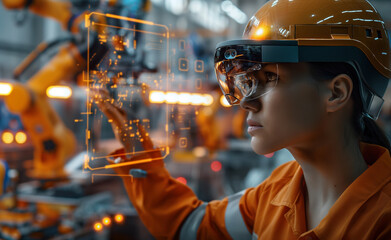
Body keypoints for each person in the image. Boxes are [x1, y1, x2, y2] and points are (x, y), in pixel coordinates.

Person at [93, 0, 391, 239]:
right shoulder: (276, 192)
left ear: (336, 93)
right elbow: (191, 226)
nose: (246, 102)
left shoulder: (381, 221)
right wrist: (137, 148)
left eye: (270, 77)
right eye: (248, 81)